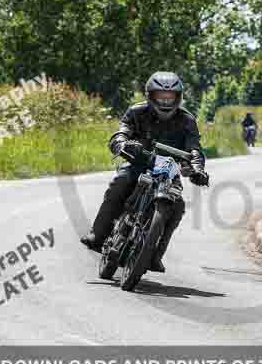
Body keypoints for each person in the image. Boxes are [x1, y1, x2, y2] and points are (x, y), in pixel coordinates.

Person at [80, 71, 210, 273]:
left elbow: (194, 149)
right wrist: (121, 144)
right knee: (120, 183)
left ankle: (155, 255)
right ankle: (97, 235)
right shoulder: (136, 112)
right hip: (138, 163)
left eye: (170, 97)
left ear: (178, 97)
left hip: (169, 170)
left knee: (178, 206)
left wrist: (198, 169)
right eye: (161, 96)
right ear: (150, 95)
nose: (166, 101)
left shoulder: (187, 120)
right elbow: (121, 132)